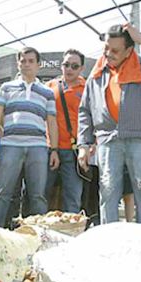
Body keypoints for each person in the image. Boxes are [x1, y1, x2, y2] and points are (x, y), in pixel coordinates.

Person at [77, 23, 141, 226]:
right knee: (108, 192)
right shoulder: (96, 74)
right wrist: (83, 146)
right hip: (107, 141)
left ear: (129, 50)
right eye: (106, 48)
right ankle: (110, 242)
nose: (108, 54)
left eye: (114, 50)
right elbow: (84, 111)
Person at [0, 46, 59, 227]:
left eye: (31, 61)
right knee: (2, 193)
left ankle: (39, 235)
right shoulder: (6, 88)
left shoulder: (47, 92)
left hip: (38, 147)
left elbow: (52, 123)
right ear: (18, 63)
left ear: (38, 65)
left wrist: (54, 150)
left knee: (38, 196)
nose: (26, 64)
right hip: (10, 145)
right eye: (23, 61)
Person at [45, 49, 86, 213]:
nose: (69, 69)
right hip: (49, 148)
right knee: (41, 194)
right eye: (66, 64)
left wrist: (89, 145)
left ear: (81, 68)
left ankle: (72, 230)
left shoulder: (87, 87)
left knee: (73, 197)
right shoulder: (50, 86)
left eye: (74, 66)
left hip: (74, 151)